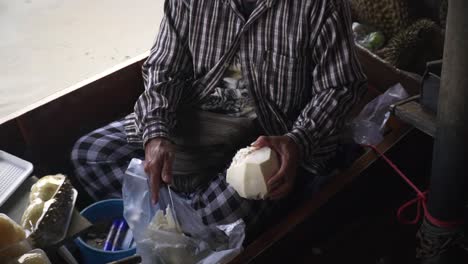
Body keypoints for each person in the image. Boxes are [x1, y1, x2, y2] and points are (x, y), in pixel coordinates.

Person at [71, 0, 367, 230]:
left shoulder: (321, 5)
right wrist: (156, 134)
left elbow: (341, 86)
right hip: (195, 114)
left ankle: (176, 219)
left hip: (266, 136)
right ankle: (183, 220)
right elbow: (164, 66)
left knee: (220, 216)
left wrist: (299, 141)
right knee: (90, 153)